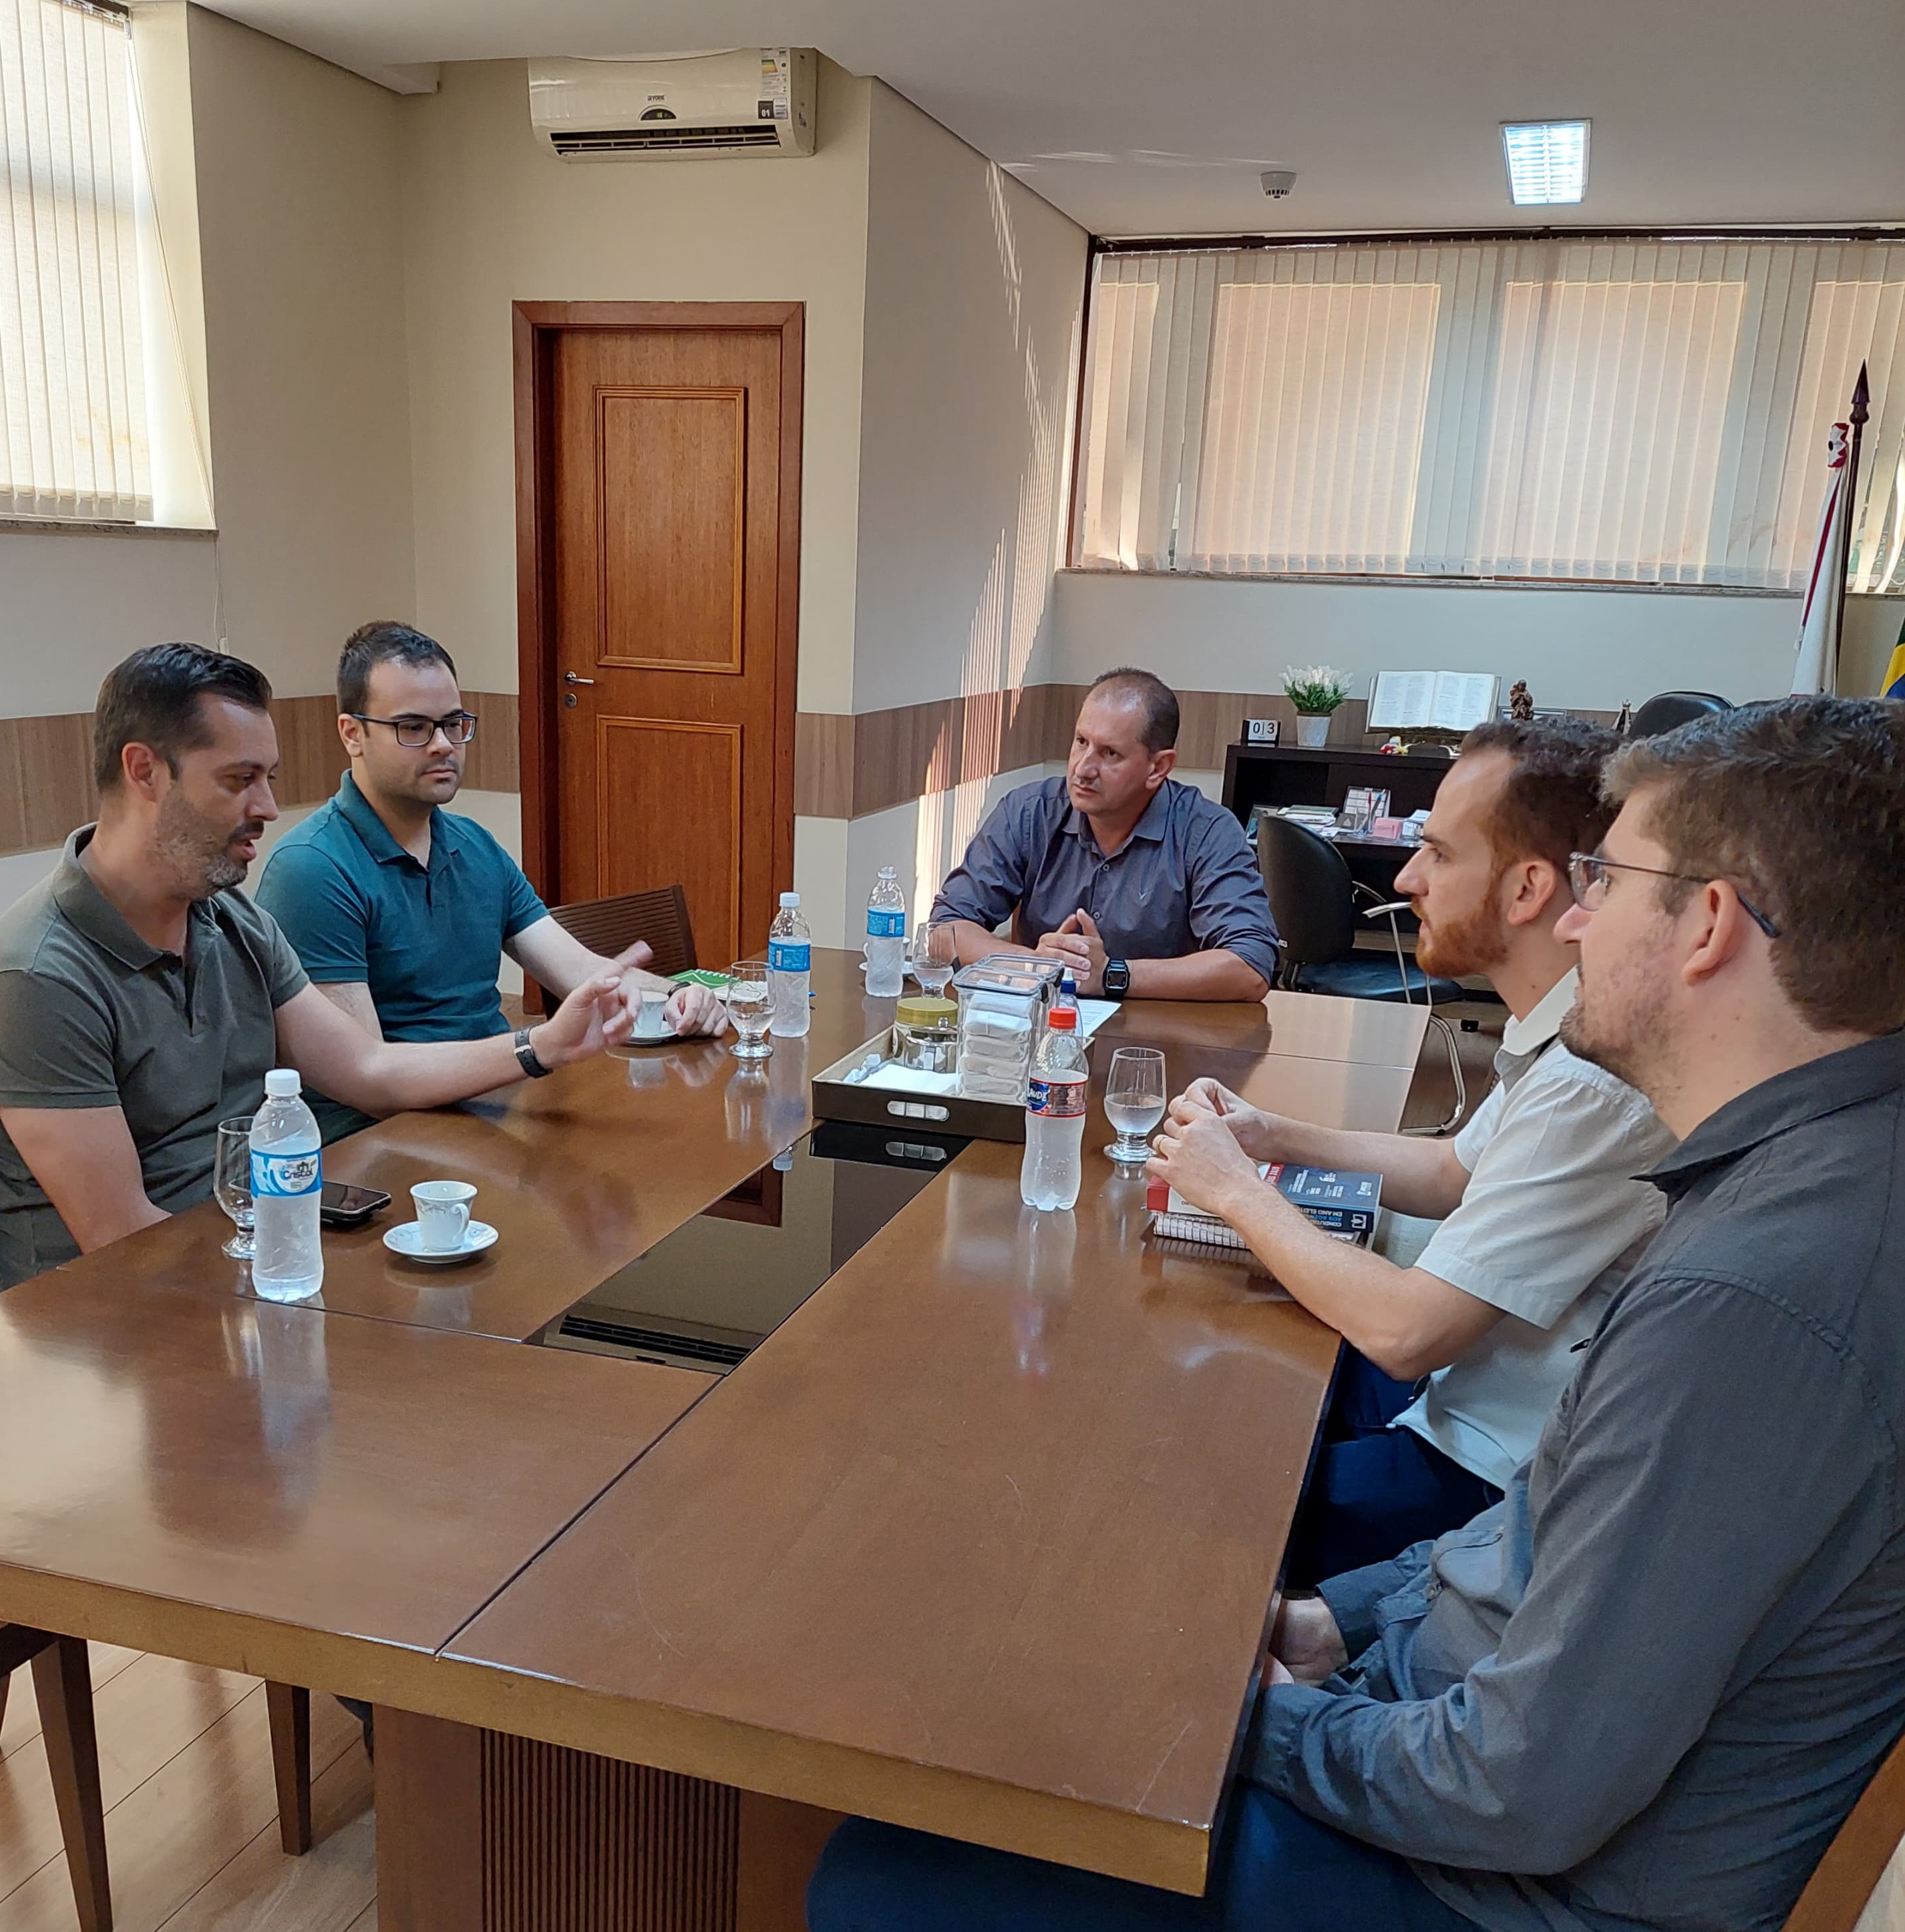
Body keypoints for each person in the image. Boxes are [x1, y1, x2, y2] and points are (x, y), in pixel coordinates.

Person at [809, 695, 1905, 1932]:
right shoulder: (1802, 1176)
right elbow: (1539, 1539)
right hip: (1440, 1727)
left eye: (1612, 879)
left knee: (879, 1878)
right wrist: (1337, 1620)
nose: (1581, 917)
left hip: (1489, 1890)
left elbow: (1512, 1792)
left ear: (1708, 924)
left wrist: (1244, 1704)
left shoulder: (1756, 1299)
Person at [1156, 715, 1672, 1584]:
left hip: (1490, 1470)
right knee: (1214, 1380)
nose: (1405, 877)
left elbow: (1407, 1332)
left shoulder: (1594, 1079)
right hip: (1462, 1390)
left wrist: (1240, 1190)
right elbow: (1449, 1172)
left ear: (1527, 888)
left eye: (1436, 852)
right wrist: (1267, 1131)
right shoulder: (1565, 1019)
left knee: (1197, 1489)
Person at [0, 642, 637, 1290]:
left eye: (268, 778)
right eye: (238, 780)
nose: (268, 808)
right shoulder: (36, 980)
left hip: (248, 1263)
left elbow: (368, 1072)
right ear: (145, 772)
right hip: (118, 1334)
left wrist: (541, 1045)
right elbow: (125, 1243)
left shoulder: (229, 920)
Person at [255, 621, 724, 1138]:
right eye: (413, 727)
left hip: (497, 1108)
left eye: (453, 723)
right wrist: (534, 1048)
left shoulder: (473, 844)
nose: (442, 745)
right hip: (385, 1140)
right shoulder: (312, 868)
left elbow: (581, 971)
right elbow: (374, 1086)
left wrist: (679, 998)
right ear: (352, 734)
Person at [928, 668, 1276, 1001]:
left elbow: (1250, 965)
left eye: (1110, 753)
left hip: (1160, 1044)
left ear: (1159, 767)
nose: (1083, 768)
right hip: (1042, 1033)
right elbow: (945, 930)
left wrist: (1112, 975)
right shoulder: (1030, 811)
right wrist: (1033, 964)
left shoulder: (1207, 832)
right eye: (1081, 742)